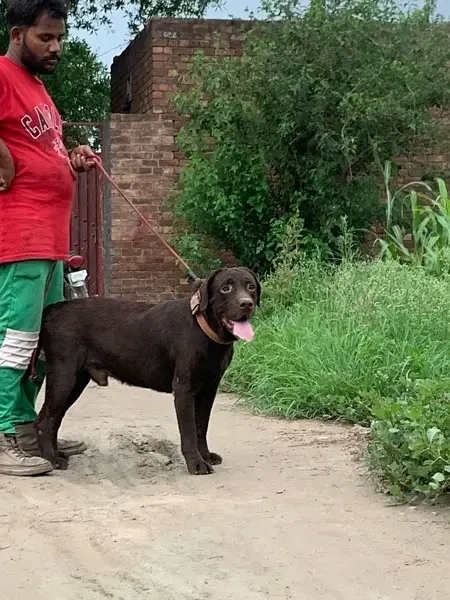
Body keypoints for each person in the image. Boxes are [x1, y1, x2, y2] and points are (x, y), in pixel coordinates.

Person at [0, 0, 97, 476]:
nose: (56, 46)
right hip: (20, 235)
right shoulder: (0, 73)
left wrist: (70, 158)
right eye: (46, 37)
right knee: (16, 338)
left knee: (47, 342)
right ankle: (2, 434)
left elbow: (39, 146)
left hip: (50, 240)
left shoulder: (37, 90)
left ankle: (28, 428)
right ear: (18, 35)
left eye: (61, 37)